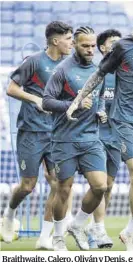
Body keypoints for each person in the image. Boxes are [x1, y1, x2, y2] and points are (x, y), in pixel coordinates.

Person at [66, 1, 133, 251]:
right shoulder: (124, 46)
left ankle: (127, 229)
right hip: (125, 120)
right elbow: (99, 74)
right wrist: (78, 100)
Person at [3, 21, 73, 250]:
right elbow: (11, 89)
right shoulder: (34, 61)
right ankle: (9, 215)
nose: (71, 43)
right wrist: (36, 100)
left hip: (56, 132)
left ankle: (45, 238)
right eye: (68, 39)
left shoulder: (68, 64)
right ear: (56, 40)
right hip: (31, 131)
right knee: (27, 186)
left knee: (57, 182)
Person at [43, 26, 107, 251]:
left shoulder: (100, 71)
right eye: (85, 45)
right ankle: (58, 236)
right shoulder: (63, 70)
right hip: (64, 139)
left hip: (91, 139)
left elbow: (100, 98)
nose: (90, 50)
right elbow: (47, 102)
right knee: (64, 189)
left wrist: (102, 111)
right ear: (75, 46)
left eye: (92, 46)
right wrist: (75, 104)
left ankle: (78, 225)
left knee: (100, 186)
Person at [85, 29, 122, 249]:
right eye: (113, 43)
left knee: (108, 186)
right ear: (102, 48)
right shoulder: (96, 73)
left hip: (116, 136)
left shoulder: (125, 74)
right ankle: (96, 228)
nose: (118, 45)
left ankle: (96, 226)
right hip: (96, 135)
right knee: (98, 185)